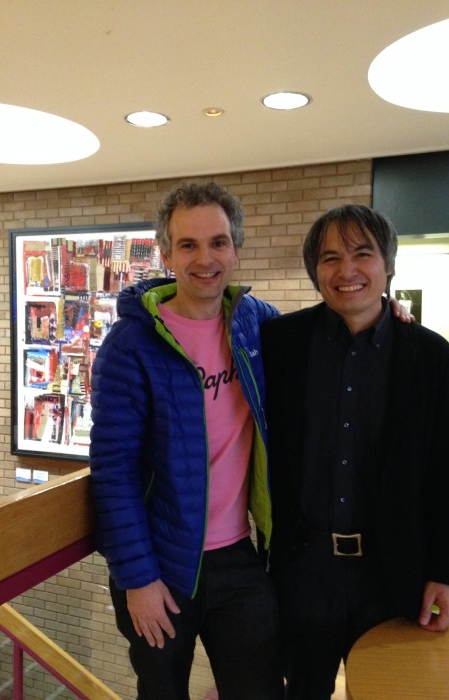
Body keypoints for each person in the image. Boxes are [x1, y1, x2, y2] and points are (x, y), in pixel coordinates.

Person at [89, 181, 284, 700]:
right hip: (160, 567)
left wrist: (386, 314)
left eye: (218, 243)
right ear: (167, 254)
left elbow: (320, 337)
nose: (205, 259)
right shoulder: (130, 345)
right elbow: (113, 470)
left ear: (236, 250)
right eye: (188, 245)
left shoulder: (254, 324)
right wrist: (137, 578)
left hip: (239, 556)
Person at [261, 203, 449, 699]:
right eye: (330, 258)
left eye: (362, 254)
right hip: (303, 569)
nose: (346, 270)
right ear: (315, 271)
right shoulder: (279, 343)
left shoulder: (430, 356)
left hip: (394, 571)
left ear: (388, 266)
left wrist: (448, 573)